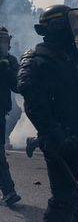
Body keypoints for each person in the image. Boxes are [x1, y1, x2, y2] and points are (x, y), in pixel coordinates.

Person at [17, 5, 78, 221]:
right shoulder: (35, 60)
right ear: (58, 27)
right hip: (59, 137)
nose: (77, 30)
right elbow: (34, 105)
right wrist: (56, 136)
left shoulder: (76, 57)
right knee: (65, 199)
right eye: (72, 25)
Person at [0, 26, 21, 206]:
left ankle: (8, 191)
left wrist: (8, 70)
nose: (3, 44)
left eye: (5, 40)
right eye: (1, 40)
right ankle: (8, 191)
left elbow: (17, 87)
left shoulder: (11, 61)